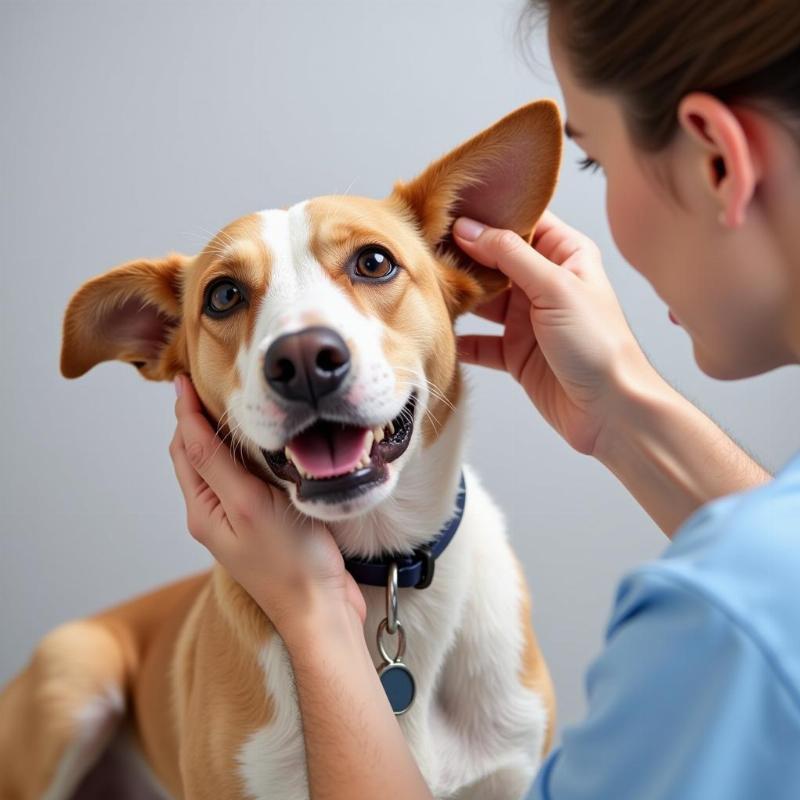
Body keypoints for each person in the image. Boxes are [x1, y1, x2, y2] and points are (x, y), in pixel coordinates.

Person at [168, 1, 800, 797]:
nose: (303, 350)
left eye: (594, 160)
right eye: (228, 300)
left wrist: (314, 613)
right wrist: (622, 409)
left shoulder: (716, 631)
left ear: (718, 160)